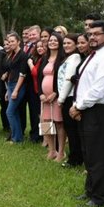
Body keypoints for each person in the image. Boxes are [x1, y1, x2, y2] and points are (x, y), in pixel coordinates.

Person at [69, 20, 104, 207]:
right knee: (89, 153)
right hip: (87, 109)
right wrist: (78, 105)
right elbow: (84, 83)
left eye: (97, 34)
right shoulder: (94, 55)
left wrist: (78, 107)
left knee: (98, 155)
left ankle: (100, 198)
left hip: (98, 111)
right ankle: (91, 190)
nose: (92, 37)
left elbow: (98, 89)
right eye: (90, 34)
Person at [38, 32, 66, 160]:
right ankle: (51, 150)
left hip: (56, 96)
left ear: (60, 43)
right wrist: (41, 94)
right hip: (44, 97)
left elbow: (63, 78)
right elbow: (39, 78)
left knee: (59, 123)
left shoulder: (63, 59)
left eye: (55, 40)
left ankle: (61, 152)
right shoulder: (44, 58)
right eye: (50, 40)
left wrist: (56, 93)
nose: (52, 42)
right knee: (46, 123)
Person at [57, 33, 83, 168]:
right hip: (66, 97)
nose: (66, 46)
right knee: (71, 129)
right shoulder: (69, 57)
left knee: (72, 129)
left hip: (69, 97)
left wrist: (61, 99)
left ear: (75, 45)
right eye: (64, 43)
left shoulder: (75, 58)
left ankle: (75, 159)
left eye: (69, 43)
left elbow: (68, 80)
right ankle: (76, 156)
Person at [3, 32, 28, 143]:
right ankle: (18, 137)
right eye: (9, 42)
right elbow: (11, 71)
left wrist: (16, 90)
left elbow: (22, 74)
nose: (11, 43)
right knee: (14, 112)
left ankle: (16, 138)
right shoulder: (12, 54)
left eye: (13, 41)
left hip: (19, 85)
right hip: (11, 85)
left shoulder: (22, 55)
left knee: (10, 112)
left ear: (19, 42)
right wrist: (8, 91)